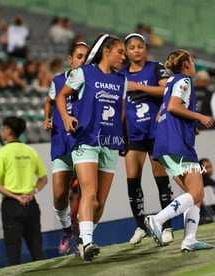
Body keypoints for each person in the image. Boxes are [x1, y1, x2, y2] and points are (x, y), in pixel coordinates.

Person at [56, 33, 127, 261]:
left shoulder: (121, 80)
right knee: (89, 191)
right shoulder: (83, 73)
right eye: (120, 51)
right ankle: (87, 242)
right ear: (106, 51)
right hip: (86, 139)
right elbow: (61, 97)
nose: (123, 56)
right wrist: (66, 118)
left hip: (111, 142)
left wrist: (123, 138)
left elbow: (122, 113)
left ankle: (83, 238)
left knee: (100, 201)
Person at [145, 49, 214, 252]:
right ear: (186, 65)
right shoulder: (184, 81)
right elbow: (174, 107)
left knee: (194, 194)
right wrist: (199, 117)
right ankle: (157, 220)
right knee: (198, 192)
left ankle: (189, 239)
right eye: (192, 61)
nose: (193, 65)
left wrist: (189, 125)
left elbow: (162, 114)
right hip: (178, 145)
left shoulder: (171, 84)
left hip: (165, 144)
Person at [118, 33, 174, 245]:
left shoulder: (155, 67)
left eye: (140, 46)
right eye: (131, 47)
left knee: (161, 179)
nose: (136, 50)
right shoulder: (120, 75)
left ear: (145, 48)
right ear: (126, 51)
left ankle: (167, 226)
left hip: (155, 131)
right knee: (132, 181)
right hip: (133, 134)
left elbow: (167, 90)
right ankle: (140, 226)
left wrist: (140, 87)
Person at [43, 41, 89, 256]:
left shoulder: (91, 80)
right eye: (79, 56)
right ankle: (67, 230)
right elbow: (49, 101)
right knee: (60, 196)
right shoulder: (59, 80)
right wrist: (46, 119)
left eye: (86, 57)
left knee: (86, 193)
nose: (83, 60)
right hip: (61, 140)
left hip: (82, 141)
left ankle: (84, 238)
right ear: (70, 59)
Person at [0, 116, 48, 265]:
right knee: (37, 251)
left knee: (13, 254)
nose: (2, 131)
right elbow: (43, 179)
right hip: (31, 204)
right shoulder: (30, 151)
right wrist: (31, 193)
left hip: (12, 205)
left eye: (3, 128)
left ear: (9, 130)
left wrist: (16, 197)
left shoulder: (2, 153)